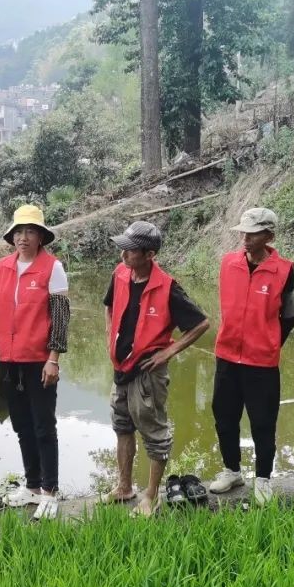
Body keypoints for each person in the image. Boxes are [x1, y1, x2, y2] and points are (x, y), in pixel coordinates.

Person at [103, 221, 210, 517]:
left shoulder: (167, 287)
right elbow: (109, 306)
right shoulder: (120, 273)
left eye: (130, 251)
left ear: (149, 254)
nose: (123, 255)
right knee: (122, 426)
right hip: (120, 368)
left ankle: (151, 495)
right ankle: (125, 486)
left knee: (154, 432)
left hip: (147, 373)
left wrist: (169, 351)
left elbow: (201, 323)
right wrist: (108, 337)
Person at [0, 205, 69, 520]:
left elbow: (60, 318)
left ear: (41, 236)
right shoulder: (3, 266)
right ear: (12, 236)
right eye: (19, 231)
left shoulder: (52, 268)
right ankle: (32, 486)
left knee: (44, 426)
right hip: (8, 360)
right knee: (21, 426)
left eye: (30, 231)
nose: (23, 237)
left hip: (39, 362)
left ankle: (50, 491)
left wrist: (53, 359)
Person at [209, 208, 294, 505]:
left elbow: (289, 317)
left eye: (253, 233)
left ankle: (263, 478)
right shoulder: (228, 263)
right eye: (243, 232)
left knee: (263, 422)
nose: (245, 238)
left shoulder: (284, 270)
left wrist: (268, 343)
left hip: (262, 363)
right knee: (224, 417)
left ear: (269, 236)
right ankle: (232, 471)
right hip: (227, 356)